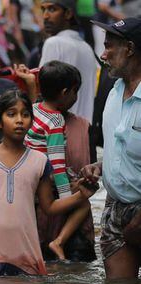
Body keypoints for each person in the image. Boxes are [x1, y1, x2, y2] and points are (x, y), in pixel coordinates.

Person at [0, 89, 97, 276]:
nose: (19, 120)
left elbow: (49, 207)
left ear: (32, 122)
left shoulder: (39, 161)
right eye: (11, 114)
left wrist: (81, 196)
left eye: (25, 115)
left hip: (26, 254)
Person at [82, 17, 141, 279]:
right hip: (116, 209)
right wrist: (102, 166)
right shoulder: (114, 91)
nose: (103, 54)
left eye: (109, 47)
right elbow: (125, 147)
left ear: (129, 49)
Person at [25, 60, 94, 260]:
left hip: (31, 176)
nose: (76, 97)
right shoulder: (56, 121)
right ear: (65, 93)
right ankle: (59, 241)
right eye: (75, 92)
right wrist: (66, 198)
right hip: (47, 179)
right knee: (83, 203)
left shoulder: (34, 108)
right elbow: (56, 163)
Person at [39, 0, 97, 124]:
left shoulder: (53, 43)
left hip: (57, 132)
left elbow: (43, 94)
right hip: (83, 132)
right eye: (43, 10)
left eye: (52, 9)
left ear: (68, 13)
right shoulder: (87, 48)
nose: (45, 16)